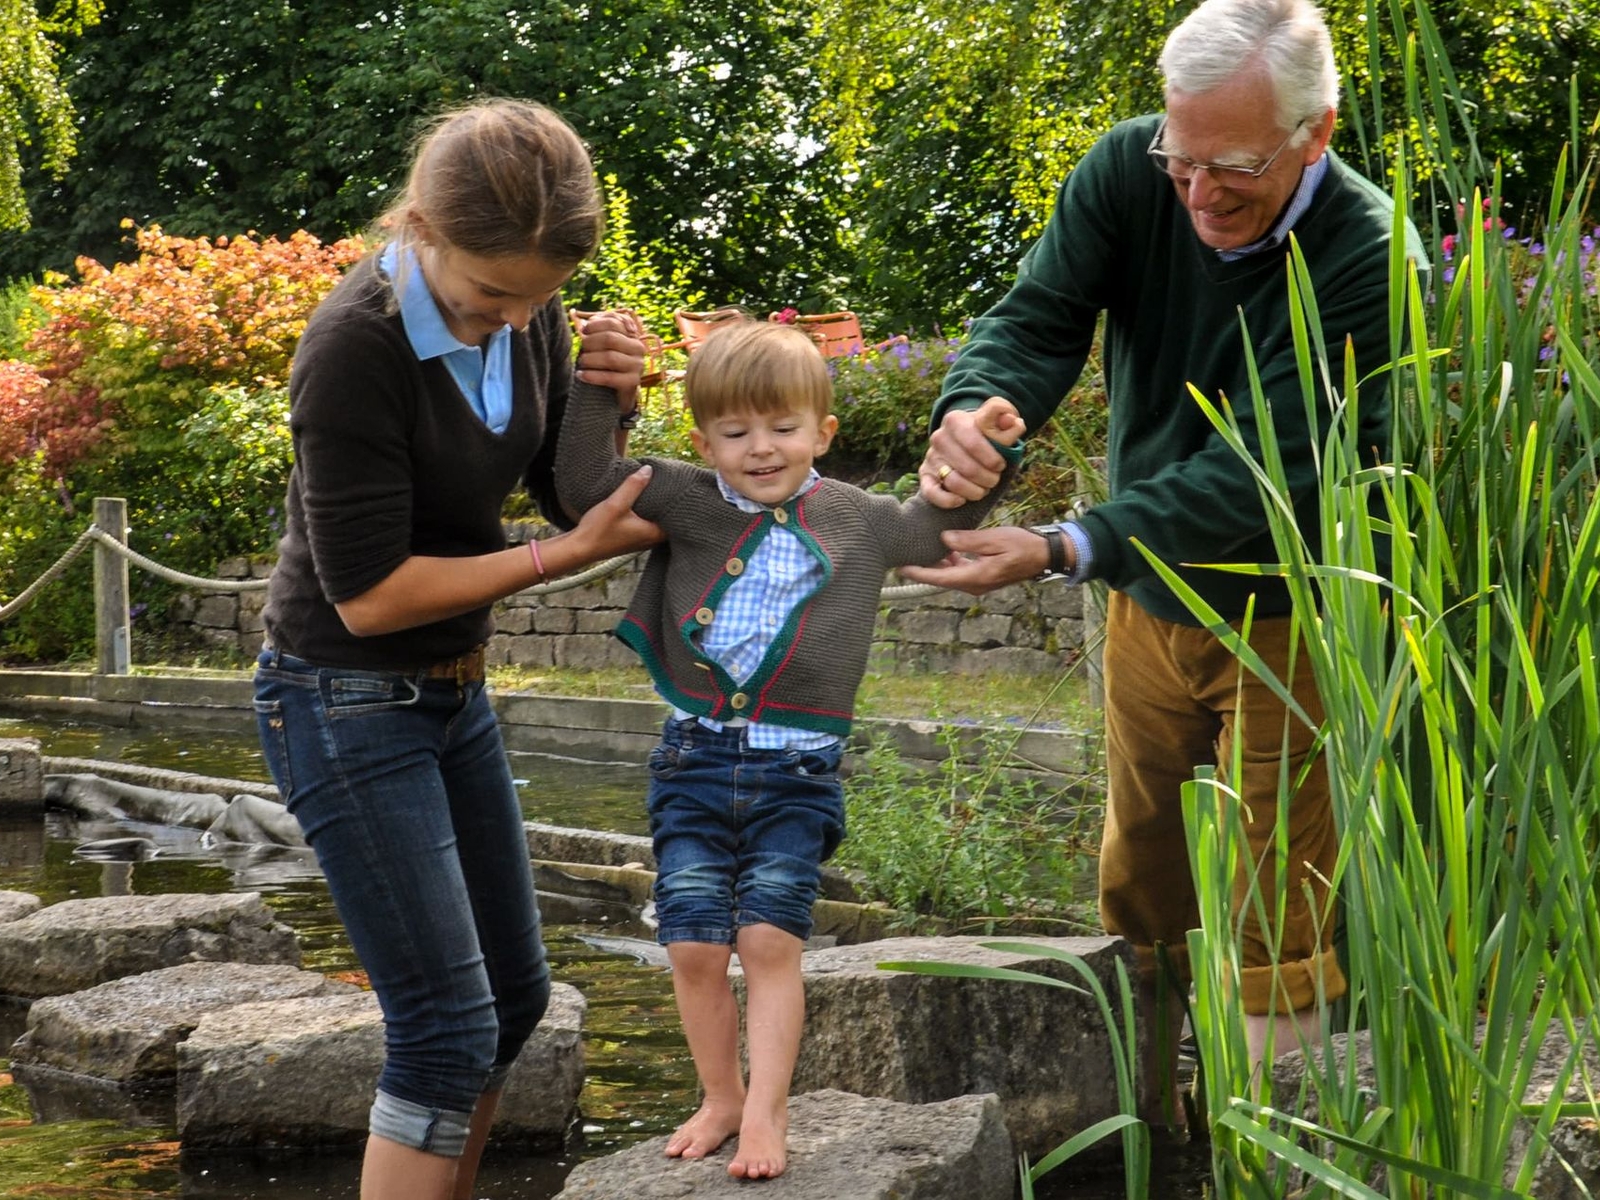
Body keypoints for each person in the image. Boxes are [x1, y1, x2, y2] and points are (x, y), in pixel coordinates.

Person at [902, 0, 1423, 1093]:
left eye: (1232, 167)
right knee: (1141, 880)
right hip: (1150, 602)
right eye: (1180, 161)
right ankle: (1144, 1127)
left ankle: (1274, 1140)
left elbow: (1273, 471)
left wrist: (1068, 545)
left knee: (1279, 903)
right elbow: (1039, 318)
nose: (1198, 195)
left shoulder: (1370, 256)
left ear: (1315, 133)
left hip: (1296, 614)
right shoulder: (1126, 169)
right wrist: (977, 410)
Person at [252, 99, 663, 1200]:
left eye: (538, 300)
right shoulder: (354, 348)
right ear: (423, 228)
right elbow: (370, 599)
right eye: (490, 298)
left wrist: (609, 402)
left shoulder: (526, 304)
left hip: (449, 693)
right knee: (443, 1029)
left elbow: (570, 489)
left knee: (512, 1006)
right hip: (339, 695)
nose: (512, 320)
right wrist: (561, 557)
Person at [554, 320, 1023, 1178]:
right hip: (693, 758)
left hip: (797, 771)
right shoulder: (688, 497)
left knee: (770, 940)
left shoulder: (859, 518)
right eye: (735, 432)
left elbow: (934, 531)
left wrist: (987, 455)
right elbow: (587, 482)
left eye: (782, 428)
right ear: (704, 441)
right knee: (693, 941)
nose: (761, 448)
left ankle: (768, 1111)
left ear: (823, 432)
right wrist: (596, 387)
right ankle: (721, 1096)